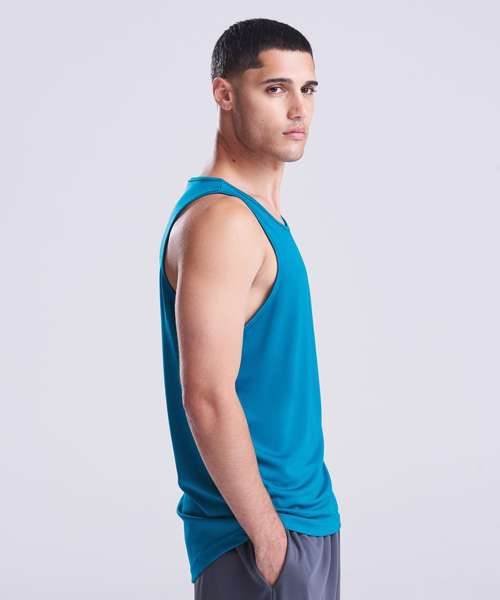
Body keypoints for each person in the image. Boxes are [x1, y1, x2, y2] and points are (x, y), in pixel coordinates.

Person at [159, 18, 341, 599]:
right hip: (257, 532)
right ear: (225, 93)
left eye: (308, 89)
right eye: (275, 88)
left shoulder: (259, 218)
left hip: (299, 518)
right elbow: (207, 396)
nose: (298, 108)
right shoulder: (223, 221)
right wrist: (269, 543)